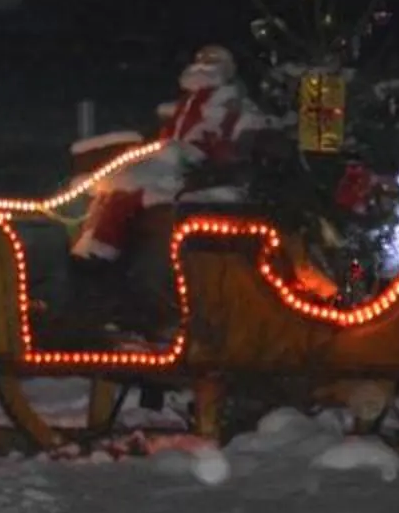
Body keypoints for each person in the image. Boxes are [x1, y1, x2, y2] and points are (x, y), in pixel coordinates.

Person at [63, 46, 269, 321]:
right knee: (110, 192)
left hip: (190, 174)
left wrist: (200, 163)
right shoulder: (187, 105)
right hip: (171, 166)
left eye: (212, 63)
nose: (203, 67)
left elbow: (231, 153)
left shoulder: (238, 109)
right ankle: (95, 259)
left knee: (127, 192)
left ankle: (100, 260)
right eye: (201, 61)